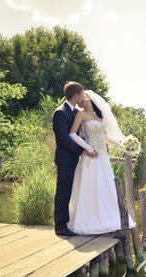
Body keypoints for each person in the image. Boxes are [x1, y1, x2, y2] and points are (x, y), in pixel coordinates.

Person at [67, 90, 137, 235]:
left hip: (103, 156)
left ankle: (107, 217)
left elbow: (106, 136)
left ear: (92, 100)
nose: (83, 102)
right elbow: (72, 134)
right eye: (81, 100)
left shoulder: (100, 116)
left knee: (106, 186)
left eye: (85, 99)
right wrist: (87, 148)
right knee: (90, 186)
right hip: (91, 156)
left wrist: (122, 145)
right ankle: (89, 220)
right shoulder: (81, 114)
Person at [52, 81, 97, 236]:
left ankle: (66, 223)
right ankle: (60, 226)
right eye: (81, 94)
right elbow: (64, 138)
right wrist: (82, 150)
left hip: (72, 159)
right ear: (75, 95)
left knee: (69, 191)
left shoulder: (74, 111)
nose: (82, 97)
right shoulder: (60, 112)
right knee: (63, 192)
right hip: (65, 160)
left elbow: (77, 135)